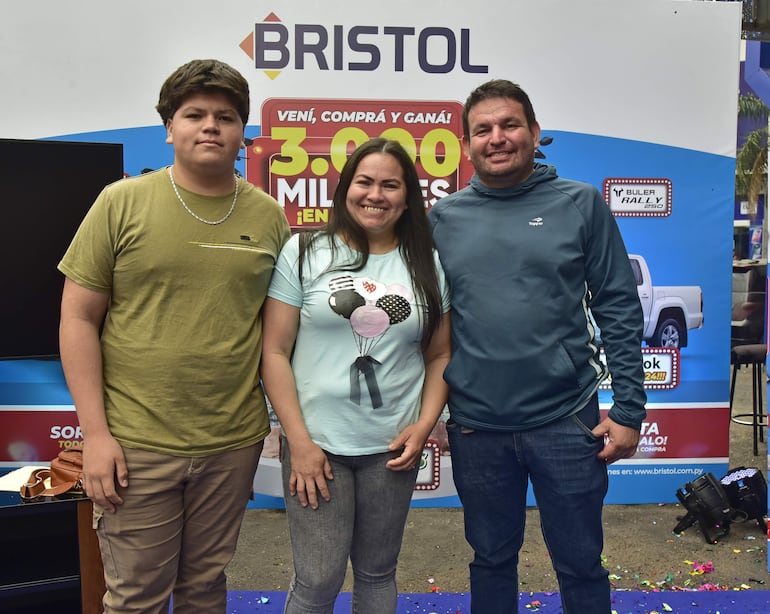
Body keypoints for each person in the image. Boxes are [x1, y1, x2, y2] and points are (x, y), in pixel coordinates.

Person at [57, 59, 290, 613]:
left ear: (242, 134)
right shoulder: (120, 203)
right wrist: (96, 436)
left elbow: (277, 334)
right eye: (195, 114)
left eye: (226, 117)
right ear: (169, 128)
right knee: (135, 597)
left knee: (204, 590)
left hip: (231, 444)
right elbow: (77, 320)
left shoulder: (269, 217)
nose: (210, 126)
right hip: (135, 445)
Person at [427, 79, 647, 614]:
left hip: (568, 421)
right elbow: (429, 325)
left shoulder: (580, 203)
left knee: (580, 563)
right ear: (466, 143)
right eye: (483, 129)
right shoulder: (441, 219)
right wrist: (425, 411)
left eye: (509, 125)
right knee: (490, 559)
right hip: (477, 425)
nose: (497, 138)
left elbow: (617, 305)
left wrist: (629, 410)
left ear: (535, 132)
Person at [260, 138, 451, 614]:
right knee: (318, 580)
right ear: (346, 188)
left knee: (377, 574)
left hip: (390, 449)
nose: (376, 194)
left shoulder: (426, 261)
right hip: (317, 446)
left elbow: (441, 355)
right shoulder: (303, 251)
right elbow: (274, 350)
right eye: (365, 181)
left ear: (408, 198)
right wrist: (298, 442)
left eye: (391, 184)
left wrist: (425, 424)